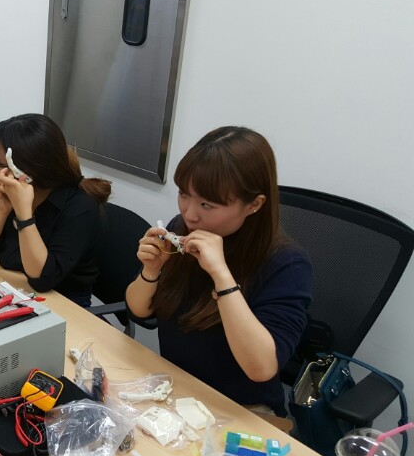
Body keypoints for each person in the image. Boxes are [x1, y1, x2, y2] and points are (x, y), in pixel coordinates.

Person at [125, 126, 312, 417]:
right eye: (184, 194)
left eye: (207, 204)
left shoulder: (287, 265)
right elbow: (139, 310)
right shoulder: (181, 229)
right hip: (179, 392)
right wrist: (152, 270)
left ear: (254, 204)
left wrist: (221, 275)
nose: (190, 213)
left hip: (242, 410)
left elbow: (261, 368)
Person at [0, 114, 112, 306]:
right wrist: (1, 210)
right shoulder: (7, 184)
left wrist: (24, 214)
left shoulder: (81, 206)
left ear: (26, 170)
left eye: (0, 164)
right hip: (9, 286)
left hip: (62, 302)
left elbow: (42, 279)